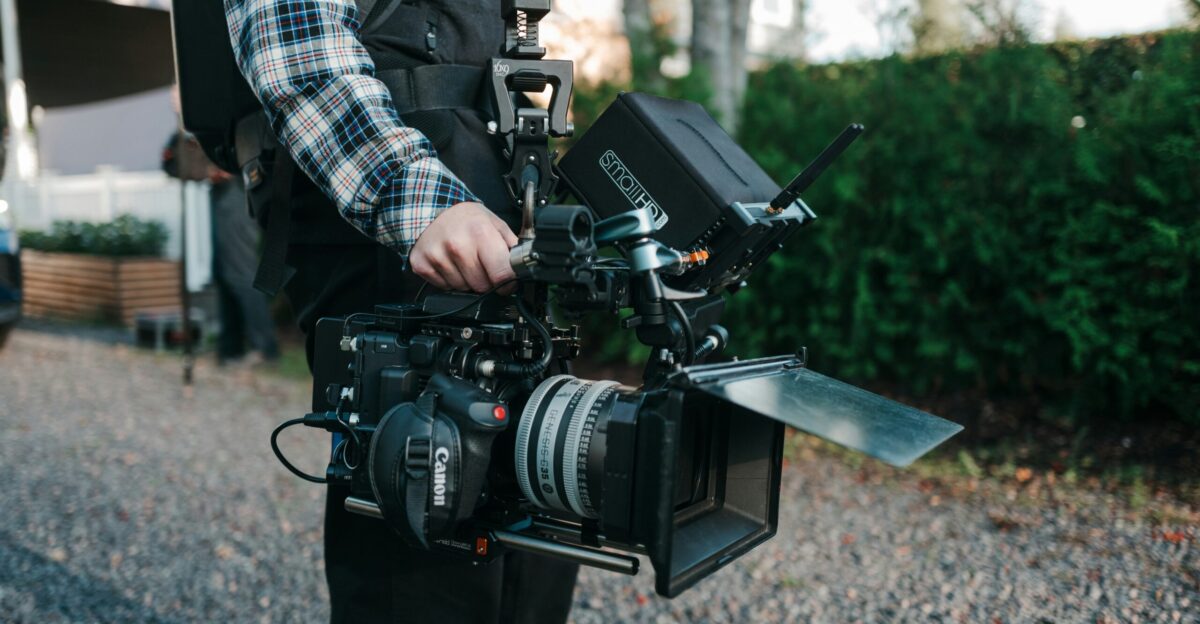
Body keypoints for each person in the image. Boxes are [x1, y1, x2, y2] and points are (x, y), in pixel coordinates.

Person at [222, 1, 579, 622]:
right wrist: (416, 199)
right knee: (427, 483)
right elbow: (300, 51)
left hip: (496, 185)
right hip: (393, 214)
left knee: (534, 476)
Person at [162, 130, 281, 365]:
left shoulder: (225, 103)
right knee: (223, 273)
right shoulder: (186, 126)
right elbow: (170, 162)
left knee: (241, 274)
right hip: (219, 194)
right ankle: (229, 348)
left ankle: (264, 348)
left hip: (238, 192)